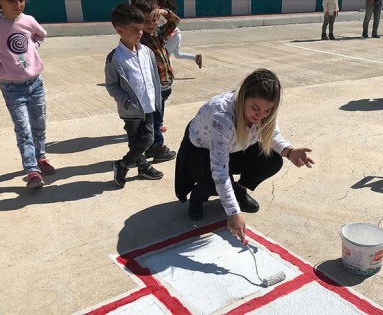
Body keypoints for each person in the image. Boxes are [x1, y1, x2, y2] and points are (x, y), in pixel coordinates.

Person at [175, 69, 315, 245]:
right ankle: (198, 196)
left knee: (273, 159)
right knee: (213, 179)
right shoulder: (222, 116)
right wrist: (233, 212)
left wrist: (289, 151)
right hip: (201, 149)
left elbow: (271, 135)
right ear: (243, 97)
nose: (259, 115)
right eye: (255, 108)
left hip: (236, 146)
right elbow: (219, 168)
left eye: (267, 111)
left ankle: (239, 189)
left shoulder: (264, 112)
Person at [0, 0, 55, 189]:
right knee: (23, 129)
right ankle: (32, 170)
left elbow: (41, 34)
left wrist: (32, 49)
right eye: (11, 0)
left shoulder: (28, 20)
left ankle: (41, 158)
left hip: (35, 83)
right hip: (11, 88)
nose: (18, 4)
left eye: (21, 0)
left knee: (39, 124)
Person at [105, 3, 165, 187]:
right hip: (131, 110)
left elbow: (153, 77)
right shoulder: (115, 58)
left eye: (141, 29)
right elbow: (112, 86)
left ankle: (131, 166)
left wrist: (158, 100)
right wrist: (127, 102)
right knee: (141, 140)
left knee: (144, 139)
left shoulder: (146, 51)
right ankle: (132, 166)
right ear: (120, 30)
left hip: (148, 106)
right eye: (135, 30)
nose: (140, 33)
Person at [130, 0, 178, 163]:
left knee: (158, 117)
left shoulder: (159, 33)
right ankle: (158, 148)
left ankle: (151, 147)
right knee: (155, 119)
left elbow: (175, 21)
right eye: (146, 21)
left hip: (165, 83)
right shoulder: (139, 40)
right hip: (153, 87)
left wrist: (164, 12)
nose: (151, 24)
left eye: (154, 20)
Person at [158, 0, 202, 68]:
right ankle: (196, 57)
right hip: (176, 35)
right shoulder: (165, 14)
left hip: (173, 36)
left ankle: (170, 74)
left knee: (166, 55)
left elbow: (169, 26)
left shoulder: (163, 14)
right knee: (178, 55)